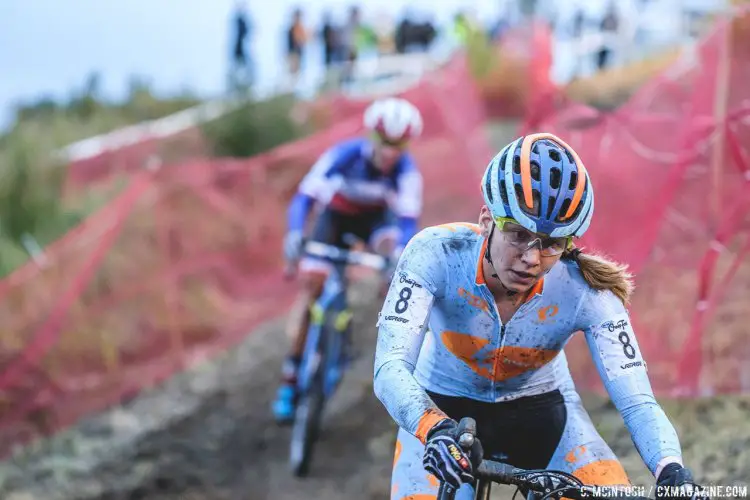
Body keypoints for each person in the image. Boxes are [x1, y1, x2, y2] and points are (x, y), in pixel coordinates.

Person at [373, 133, 710, 499]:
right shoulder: (435, 253)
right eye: (518, 234)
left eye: (550, 244)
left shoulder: (588, 291)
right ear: (487, 221)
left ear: (569, 243)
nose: (531, 258)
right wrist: (433, 429)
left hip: (543, 414)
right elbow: (390, 366)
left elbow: (637, 400)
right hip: (442, 409)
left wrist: (672, 471)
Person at [272, 97, 425, 423]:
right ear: (371, 136)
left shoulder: (407, 172)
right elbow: (304, 199)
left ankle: (378, 332)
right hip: (334, 220)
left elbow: (407, 221)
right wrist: (295, 234)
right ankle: (290, 375)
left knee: (392, 250)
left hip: (374, 225)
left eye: (399, 144)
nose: (391, 151)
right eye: (385, 142)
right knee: (312, 285)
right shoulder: (343, 156)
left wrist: (397, 257)